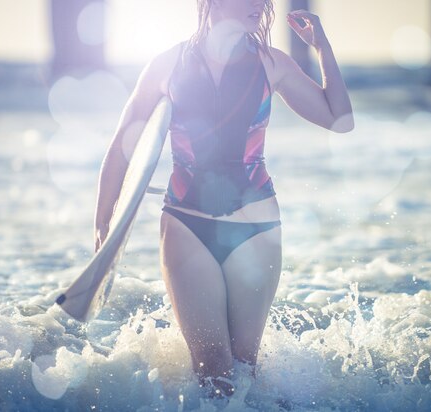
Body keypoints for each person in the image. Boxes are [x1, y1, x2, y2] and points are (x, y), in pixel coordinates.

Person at [94, 0, 353, 400]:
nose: (260, 5)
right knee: (214, 370)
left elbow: (340, 119)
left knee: (245, 368)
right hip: (186, 224)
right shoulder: (168, 65)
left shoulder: (271, 63)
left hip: (257, 229)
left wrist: (323, 47)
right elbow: (122, 146)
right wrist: (103, 224)